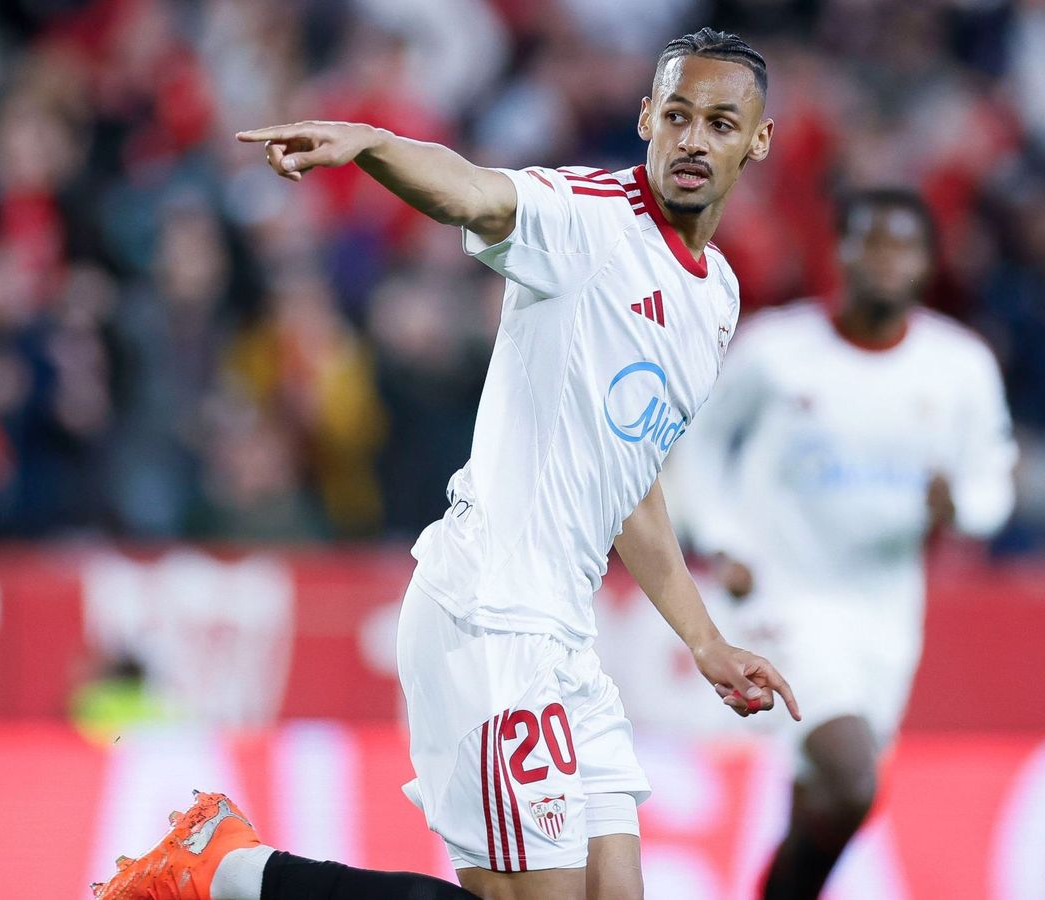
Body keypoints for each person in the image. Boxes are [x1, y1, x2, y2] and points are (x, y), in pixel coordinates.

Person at [93, 28, 799, 900]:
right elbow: (474, 193)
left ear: (757, 140)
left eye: (722, 124)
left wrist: (705, 641)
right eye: (680, 116)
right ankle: (230, 872)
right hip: (489, 615)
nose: (695, 141)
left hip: (566, 640)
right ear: (647, 117)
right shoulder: (587, 218)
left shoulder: (716, 296)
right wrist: (376, 146)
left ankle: (228, 871)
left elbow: (632, 485)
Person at [671, 189, 1016, 899]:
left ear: (927, 263)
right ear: (842, 253)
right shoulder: (777, 350)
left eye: (904, 246)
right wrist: (718, 538)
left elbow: (994, 478)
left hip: (886, 610)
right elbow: (697, 444)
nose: (886, 260)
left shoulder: (960, 367)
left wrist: (964, 509)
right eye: (870, 242)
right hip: (782, 592)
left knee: (830, 800)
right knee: (851, 778)